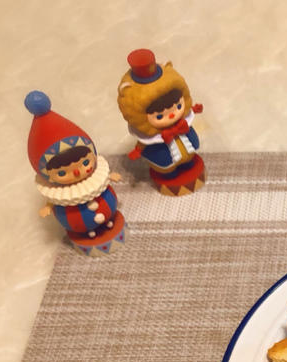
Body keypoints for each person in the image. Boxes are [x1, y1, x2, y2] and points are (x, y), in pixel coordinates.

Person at [25, 91, 125, 256]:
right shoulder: (58, 193)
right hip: (76, 222)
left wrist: (110, 176)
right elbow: (52, 202)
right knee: (80, 223)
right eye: (62, 172)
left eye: (85, 163)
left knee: (107, 213)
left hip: (108, 214)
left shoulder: (97, 176)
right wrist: (48, 207)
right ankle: (88, 233)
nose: (77, 172)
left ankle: (107, 224)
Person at [117, 48, 206, 196]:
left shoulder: (184, 119)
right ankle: (169, 173)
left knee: (189, 158)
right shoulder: (148, 133)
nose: (171, 116)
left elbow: (188, 110)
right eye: (159, 116)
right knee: (166, 166)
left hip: (186, 146)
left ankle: (188, 163)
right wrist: (138, 150)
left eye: (178, 107)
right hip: (163, 155)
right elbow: (142, 143)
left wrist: (193, 109)